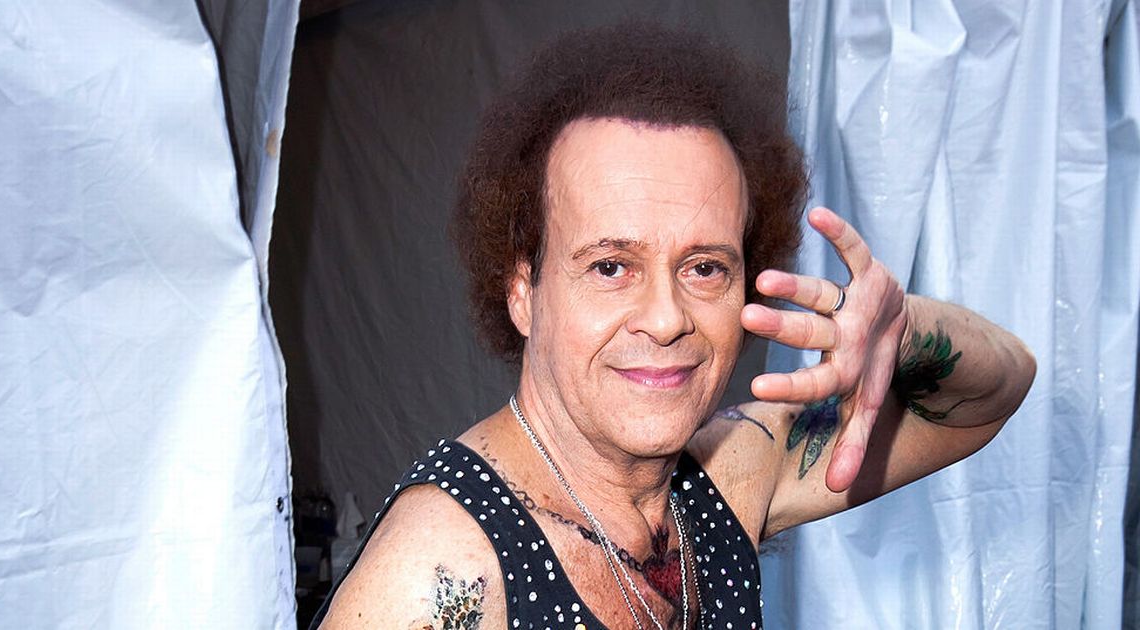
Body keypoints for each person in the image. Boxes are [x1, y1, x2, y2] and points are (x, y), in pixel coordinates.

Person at [313, 22, 1035, 630]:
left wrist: (904, 332)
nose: (666, 319)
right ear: (523, 292)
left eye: (704, 268)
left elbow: (991, 394)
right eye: (610, 267)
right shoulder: (441, 576)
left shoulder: (727, 479)